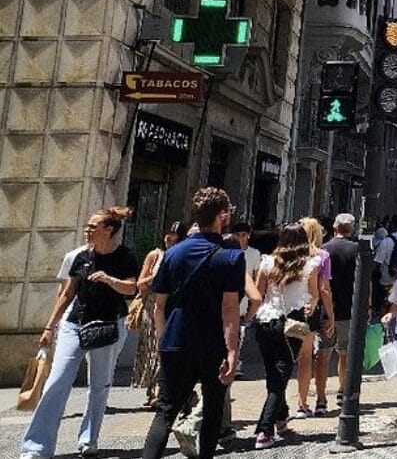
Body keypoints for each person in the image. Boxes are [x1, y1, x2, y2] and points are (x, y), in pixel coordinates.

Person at [21, 206, 139, 458]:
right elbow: (67, 293)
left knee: (99, 385)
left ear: (108, 230)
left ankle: (88, 439)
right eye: (87, 226)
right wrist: (50, 326)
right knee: (57, 381)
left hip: (108, 325)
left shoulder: (124, 256)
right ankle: (36, 447)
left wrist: (110, 280)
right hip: (75, 324)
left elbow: (132, 288)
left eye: (92, 227)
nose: (87, 230)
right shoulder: (80, 257)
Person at [142, 187, 246, 459]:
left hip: (175, 340)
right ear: (222, 214)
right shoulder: (231, 256)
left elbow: (159, 305)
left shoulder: (173, 253)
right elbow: (230, 308)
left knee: (166, 411)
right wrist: (233, 351)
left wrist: (162, 340)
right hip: (212, 344)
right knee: (212, 409)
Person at [246, 224, 321, 449]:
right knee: (280, 377)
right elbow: (314, 295)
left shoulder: (267, 262)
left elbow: (258, 294)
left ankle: (281, 417)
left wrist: (249, 316)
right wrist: (310, 307)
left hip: (265, 321)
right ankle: (265, 429)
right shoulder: (310, 264)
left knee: (273, 372)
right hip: (292, 324)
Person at [132, 220, 184, 407]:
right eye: (168, 237)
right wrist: (157, 276)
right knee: (150, 349)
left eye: (175, 238)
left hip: (171, 307)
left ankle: (159, 390)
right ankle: (152, 389)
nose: (170, 241)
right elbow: (139, 283)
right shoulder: (155, 255)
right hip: (152, 306)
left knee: (162, 350)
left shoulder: (181, 256)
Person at [292, 217, 335, 416]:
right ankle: (321, 400)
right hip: (314, 309)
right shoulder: (322, 256)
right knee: (321, 356)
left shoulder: (292, 255)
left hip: (293, 308)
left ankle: (301, 403)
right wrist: (331, 315)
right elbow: (324, 289)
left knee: (303, 358)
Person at [317, 213, 360, 407]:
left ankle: (321, 399)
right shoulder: (358, 250)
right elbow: (363, 280)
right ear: (351, 229)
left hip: (327, 309)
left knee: (323, 353)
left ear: (334, 228)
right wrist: (366, 306)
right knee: (345, 353)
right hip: (349, 308)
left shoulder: (323, 250)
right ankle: (343, 391)